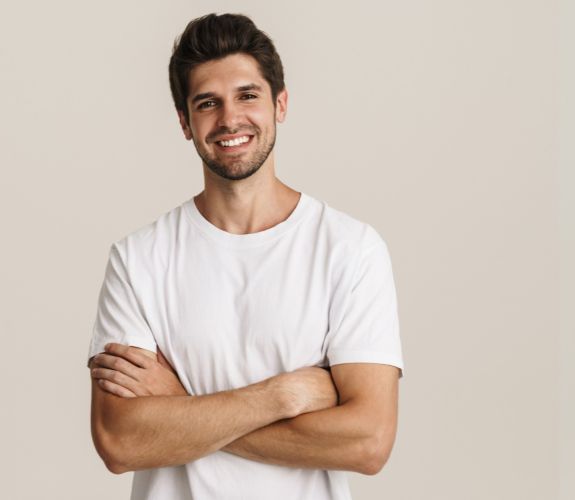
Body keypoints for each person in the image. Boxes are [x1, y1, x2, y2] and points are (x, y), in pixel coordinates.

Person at [85, 12, 404, 500]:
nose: (230, 119)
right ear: (185, 124)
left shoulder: (350, 250)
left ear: (281, 104)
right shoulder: (139, 259)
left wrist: (182, 407)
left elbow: (369, 442)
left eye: (247, 96)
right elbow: (120, 440)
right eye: (207, 103)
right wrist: (286, 395)